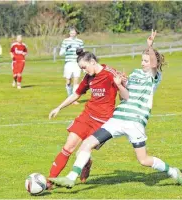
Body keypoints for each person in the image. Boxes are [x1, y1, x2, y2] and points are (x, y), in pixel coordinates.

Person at [49, 30, 182, 187]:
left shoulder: (153, 76)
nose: (143, 63)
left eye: (146, 61)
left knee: (143, 160)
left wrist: (150, 46)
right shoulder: (135, 73)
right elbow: (125, 97)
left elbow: (153, 64)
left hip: (135, 122)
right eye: (142, 60)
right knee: (86, 144)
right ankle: (70, 178)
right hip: (117, 119)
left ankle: (173, 172)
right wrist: (120, 84)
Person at [47, 48, 127, 189]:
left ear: (92, 61)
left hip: (103, 122)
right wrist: (59, 107)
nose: (84, 71)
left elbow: (124, 95)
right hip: (87, 116)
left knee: (81, 152)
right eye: (81, 69)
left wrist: (122, 84)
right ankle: (49, 181)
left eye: (84, 67)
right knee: (68, 147)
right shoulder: (88, 77)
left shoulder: (110, 73)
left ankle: (87, 162)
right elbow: (76, 94)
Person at [59, 27, 84, 105]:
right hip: (69, 63)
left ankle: (73, 99)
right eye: (71, 33)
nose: (72, 34)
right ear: (69, 33)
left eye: (73, 33)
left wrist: (83, 63)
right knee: (68, 81)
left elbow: (82, 53)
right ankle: (69, 96)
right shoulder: (65, 41)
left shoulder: (80, 41)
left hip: (77, 63)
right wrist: (66, 48)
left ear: (76, 33)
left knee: (76, 80)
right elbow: (61, 53)